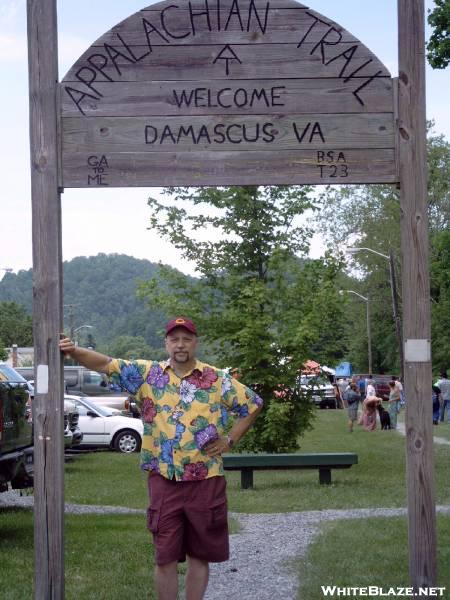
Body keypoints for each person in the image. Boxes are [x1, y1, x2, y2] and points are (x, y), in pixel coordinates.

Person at [60, 317, 263, 600]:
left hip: (205, 478)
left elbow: (253, 405)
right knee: (164, 557)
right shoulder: (148, 374)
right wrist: (74, 351)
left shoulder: (217, 379)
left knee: (199, 555)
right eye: (174, 339)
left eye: (187, 339)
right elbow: (106, 364)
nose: (180, 345)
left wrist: (230, 440)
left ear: (196, 342)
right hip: (163, 478)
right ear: (166, 343)